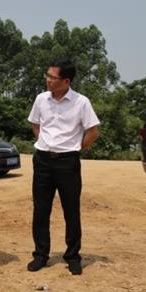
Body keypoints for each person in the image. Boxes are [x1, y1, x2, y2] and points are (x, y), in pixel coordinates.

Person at [26, 59, 99, 276]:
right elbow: (35, 124)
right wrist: (45, 143)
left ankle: (73, 256)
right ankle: (40, 255)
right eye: (47, 75)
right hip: (43, 160)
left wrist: (75, 148)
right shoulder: (41, 99)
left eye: (53, 77)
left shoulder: (81, 102)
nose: (48, 80)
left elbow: (93, 132)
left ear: (66, 81)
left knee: (71, 209)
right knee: (41, 209)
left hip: (68, 162)